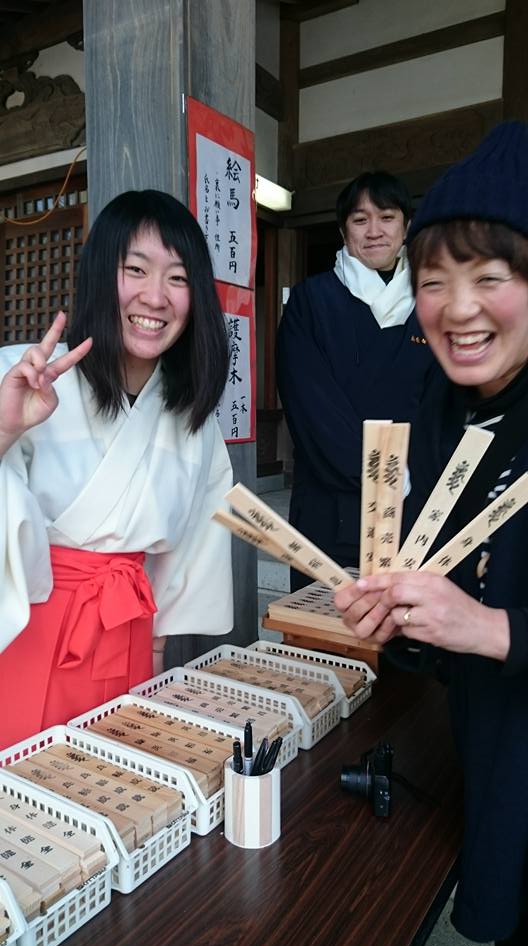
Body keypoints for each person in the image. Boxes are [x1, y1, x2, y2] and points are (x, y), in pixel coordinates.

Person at [335, 122, 528, 946]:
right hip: (496, 758)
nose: (458, 308)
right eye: (434, 281)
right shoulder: (451, 410)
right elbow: (458, 590)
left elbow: (484, 618)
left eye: (490, 277)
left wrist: (488, 628)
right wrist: (405, 623)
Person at [0, 189, 233, 750]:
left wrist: (154, 651)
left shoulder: (192, 419)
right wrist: (5, 430)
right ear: (102, 275)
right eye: (136, 270)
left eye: (178, 278)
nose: (155, 296)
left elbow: (191, 550)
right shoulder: (20, 377)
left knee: (116, 776)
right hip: (26, 628)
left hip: (129, 637)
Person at [276, 171, 435, 590]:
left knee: (409, 622)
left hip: (414, 508)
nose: (374, 230)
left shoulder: (431, 304)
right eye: (361, 219)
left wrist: (417, 478)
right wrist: (386, 476)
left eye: (387, 217)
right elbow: (311, 406)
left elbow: (443, 404)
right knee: (326, 622)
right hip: (332, 505)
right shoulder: (310, 302)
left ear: (407, 227)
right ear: (343, 230)